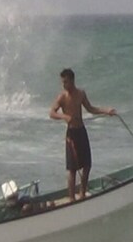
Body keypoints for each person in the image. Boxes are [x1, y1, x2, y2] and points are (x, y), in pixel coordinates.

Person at [49, 68, 117, 202]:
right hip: (71, 134)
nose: (64, 85)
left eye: (66, 82)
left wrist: (106, 111)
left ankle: (82, 193)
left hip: (81, 131)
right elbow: (51, 112)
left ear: (72, 81)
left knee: (87, 165)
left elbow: (91, 109)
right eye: (63, 83)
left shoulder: (80, 94)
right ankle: (72, 199)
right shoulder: (62, 97)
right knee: (72, 169)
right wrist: (64, 116)